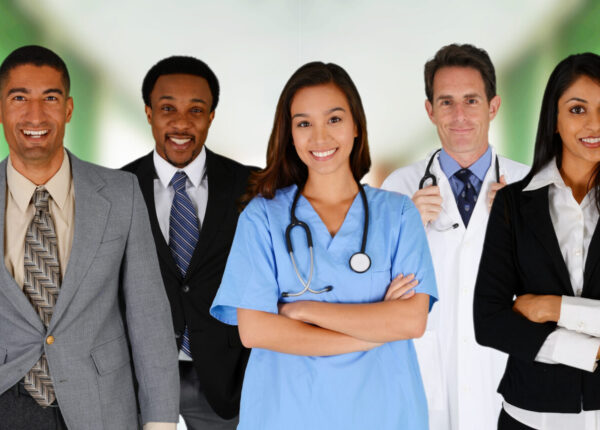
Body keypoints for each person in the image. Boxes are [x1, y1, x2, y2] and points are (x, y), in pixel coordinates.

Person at [209, 61, 438, 429]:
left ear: (356, 125)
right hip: (286, 413)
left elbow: (411, 320)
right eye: (304, 123)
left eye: (334, 119)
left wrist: (305, 310)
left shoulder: (398, 214)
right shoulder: (262, 217)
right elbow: (256, 331)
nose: (320, 137)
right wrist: (371, 335)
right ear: (290, 134)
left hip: (383, 412)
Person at [0, 46, 178, 429]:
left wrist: (161, 422)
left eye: (50, 98)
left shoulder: (121, 194)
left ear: (68, 109)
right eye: (19, 98)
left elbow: (149, 318)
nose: (35, 114)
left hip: (101, 407)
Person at [381, 43, 530, 430]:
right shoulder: (399, 188)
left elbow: (556, 287)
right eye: (446, 102)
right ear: (430, 110)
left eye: (471, 100)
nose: (459, 115)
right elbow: (374, 292)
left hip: (506, 380)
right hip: (427, 383)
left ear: (493, 107)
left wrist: (525, 229)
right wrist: (406, 230)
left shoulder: (530, 187)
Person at [122, 56, 251, 430]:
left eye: (196, 110)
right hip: (139, 377)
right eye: (167, 109)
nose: (181, 123)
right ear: (148, 113)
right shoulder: (115, 188)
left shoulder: (252, 187)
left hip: (226, 380)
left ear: (211, 116)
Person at [474, 53, 600, 430]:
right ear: (554, 121)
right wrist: (589, 349)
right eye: (578, 109)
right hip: (528, 418)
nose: (595, 123)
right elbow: (489, 321)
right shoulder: (513, 204)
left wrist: (553, 307)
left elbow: (516, 319)